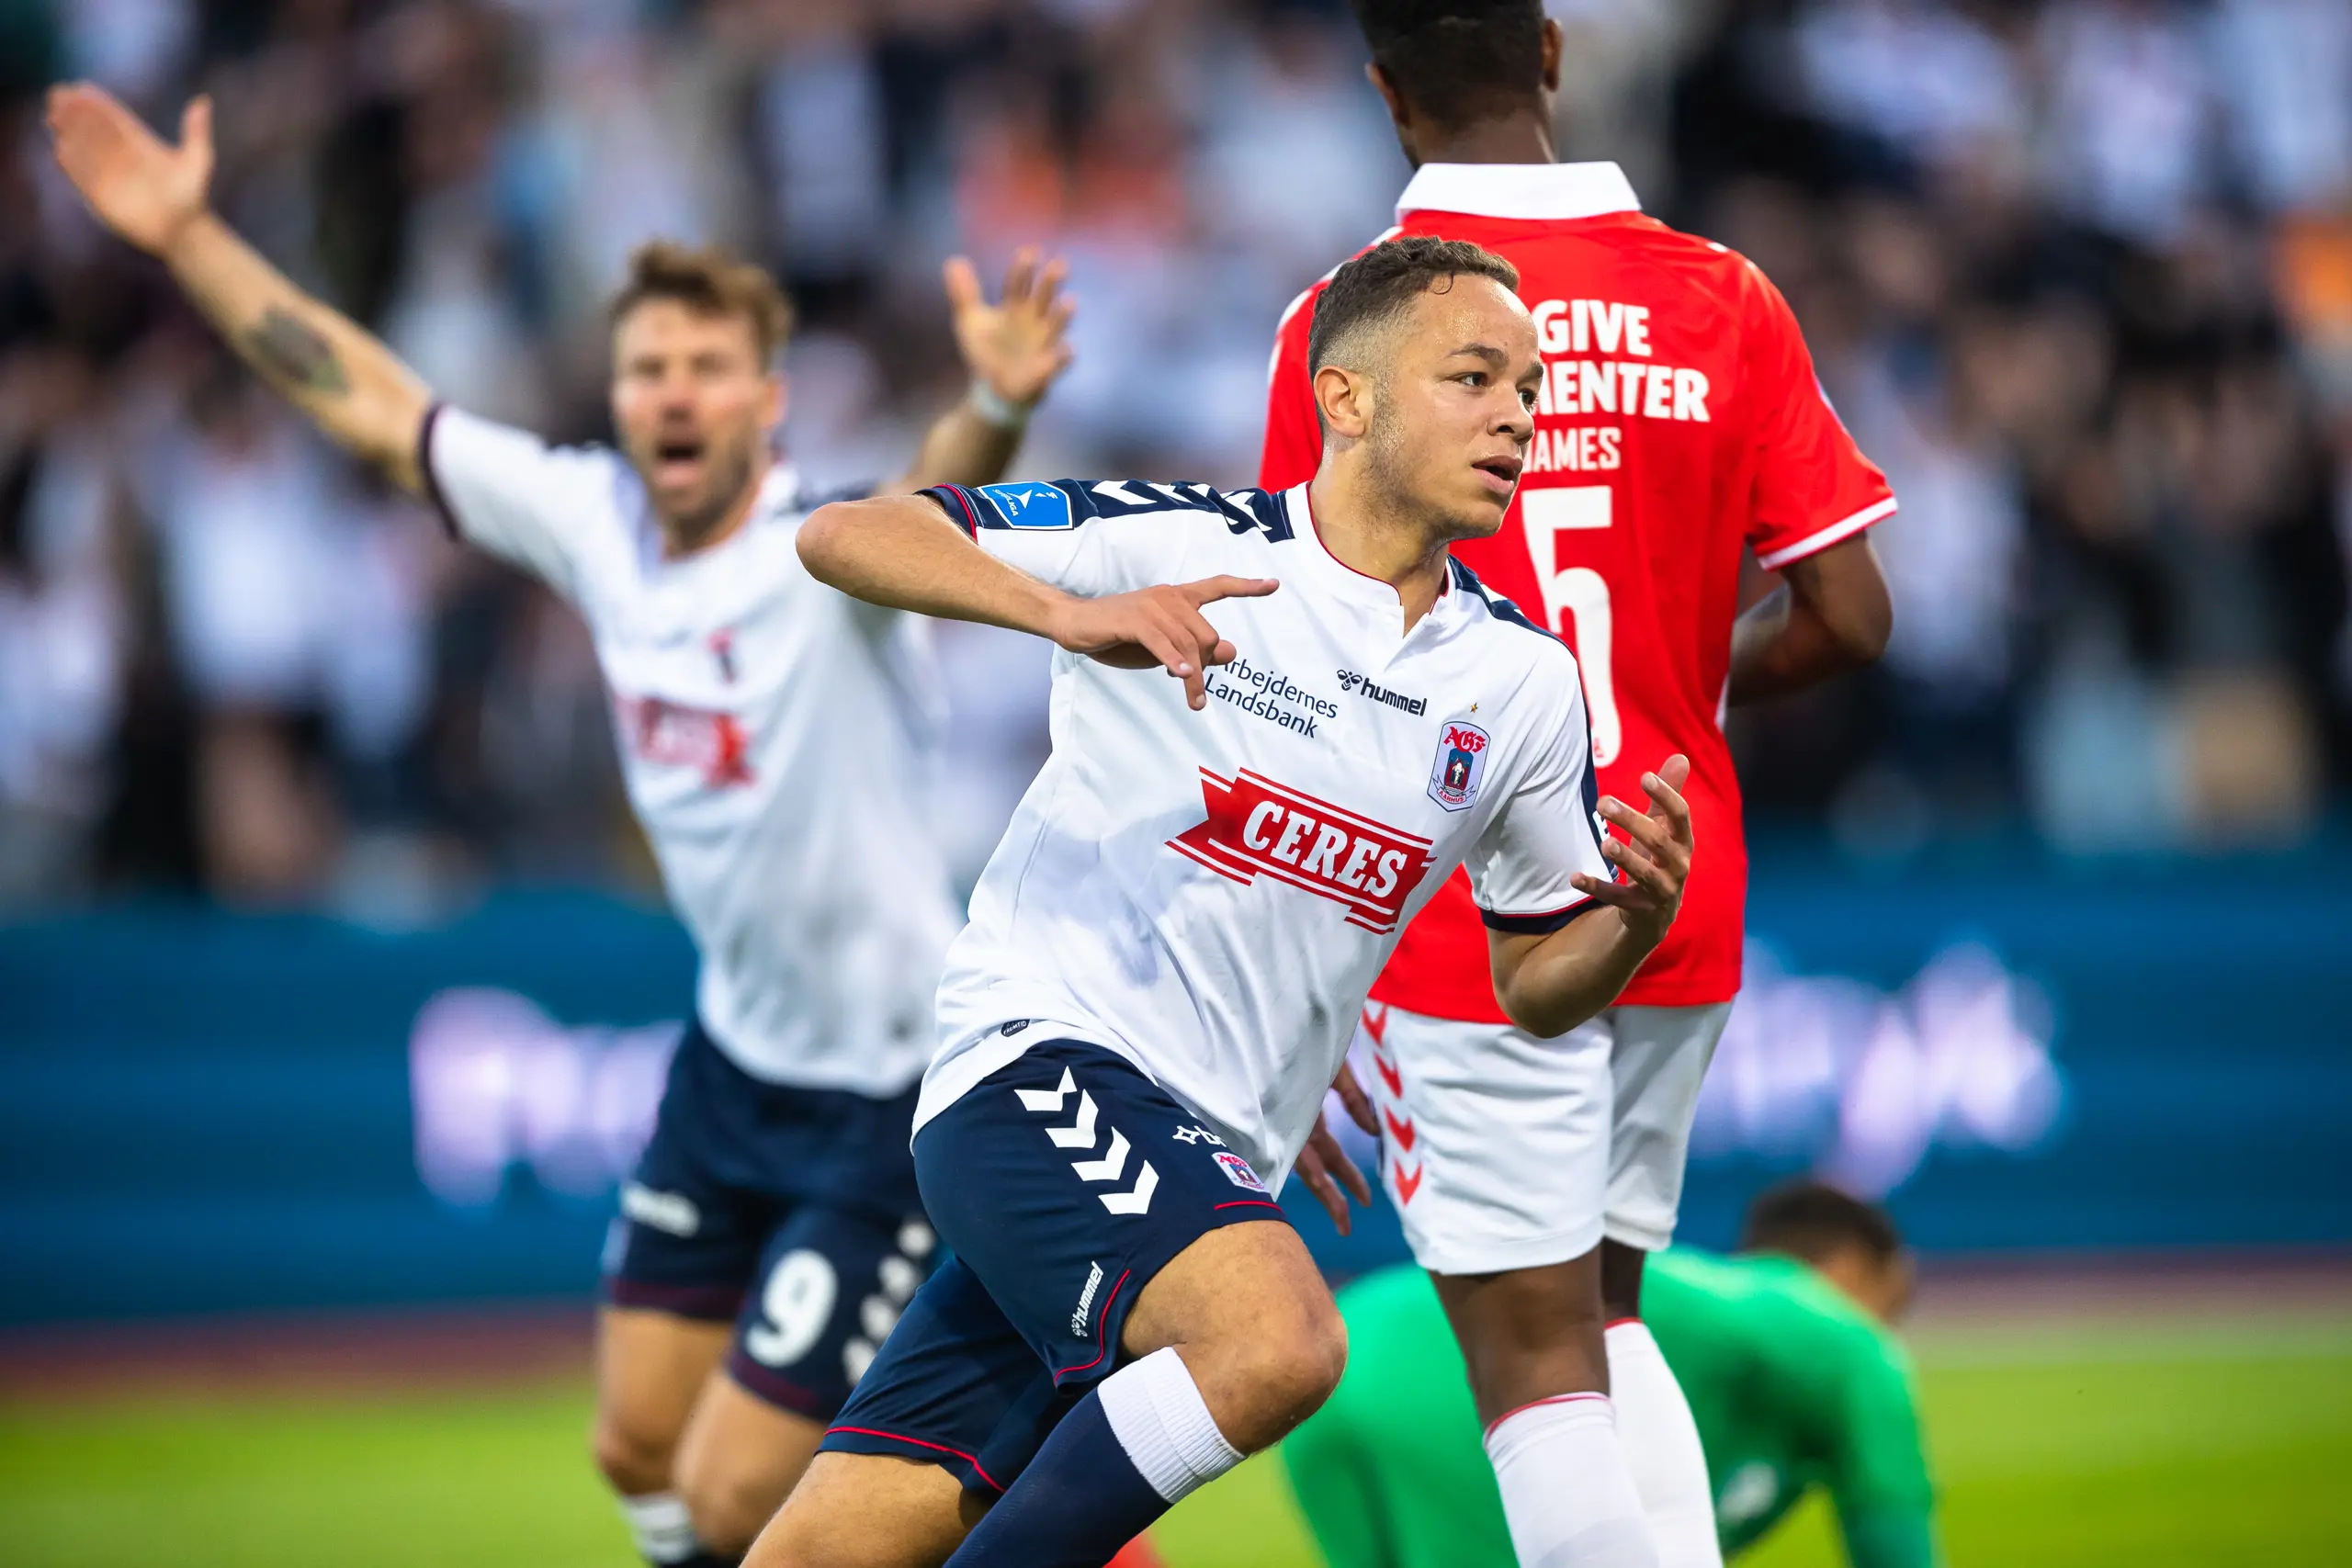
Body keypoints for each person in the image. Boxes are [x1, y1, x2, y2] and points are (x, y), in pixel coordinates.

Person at [46, 84, 1075, 1568]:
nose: (671, 390)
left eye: (708, 366)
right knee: (633, 1445)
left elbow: (938, 484)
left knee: (734, 1495)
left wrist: (994, 401)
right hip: (736, 1063)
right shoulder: (592, 522)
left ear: (769, 397)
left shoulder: (822, 552)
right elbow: (371, 401)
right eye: (647, 364)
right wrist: (193, 235)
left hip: (886, 1091)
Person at [741, 234, 1694, 1568]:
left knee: (821, 1552)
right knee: (1277, 1338)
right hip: (1035, 1070)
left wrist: (1629, 924)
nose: (1518, 414)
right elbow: (846, 531)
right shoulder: (1186, 539)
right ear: (1346, 398)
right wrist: (1058, 612)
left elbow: (1534, 979)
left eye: (1529, 388)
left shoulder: (1521, 684)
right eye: (1474, 376)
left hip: (1193, 1152)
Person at [1259, 6, 1896, 1564]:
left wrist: (1298, 976)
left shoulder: (1345, 332)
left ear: (1383, 92)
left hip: (1465, 922)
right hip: (1670, 879)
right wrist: (1676, 687)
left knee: (1532, 1363)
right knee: (1607, 1316)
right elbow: (1855, 613)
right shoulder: (1719, 295)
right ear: (1551, 53)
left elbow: (1305, 663)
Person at [1282, 1180, 1941, 1568]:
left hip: (1336, 1352)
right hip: (1449, 1382)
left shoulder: (1729, 1314)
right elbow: (1897, 1549)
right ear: (1862, 1270)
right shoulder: (1854, 1345)